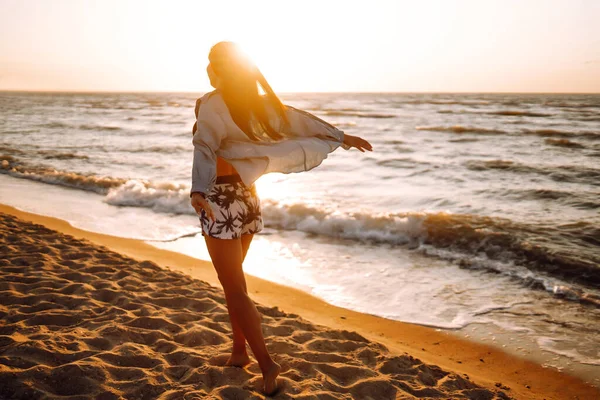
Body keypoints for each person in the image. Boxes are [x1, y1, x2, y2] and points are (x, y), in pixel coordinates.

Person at [189, 41, 372, 395]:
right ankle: (239, 352)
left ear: (217, 69)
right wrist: (340, 136)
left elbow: (205, 146)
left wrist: (198, 190)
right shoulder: (255, 102)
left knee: (234, 286)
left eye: (213, 63)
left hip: (219, 200)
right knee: (235, 283)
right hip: (247, 199)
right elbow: (295, 121)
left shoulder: (211, 102)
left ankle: (267, 363)